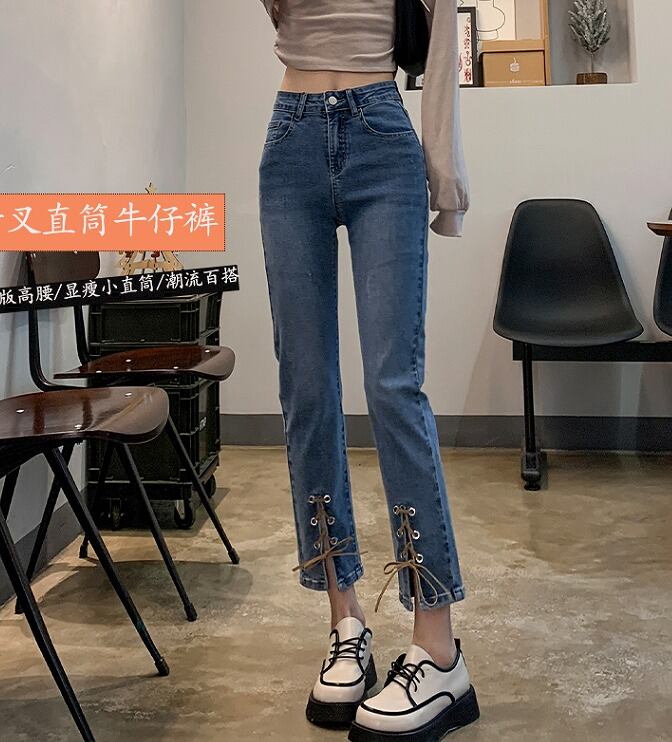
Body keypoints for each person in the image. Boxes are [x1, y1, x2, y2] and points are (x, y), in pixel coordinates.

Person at [257, 1, 479, 739]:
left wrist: (445, 182)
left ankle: (438, 647)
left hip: (382, 131)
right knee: (307, 387)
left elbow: (440, 48)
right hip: (290, 136)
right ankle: (344, 620)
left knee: (393, 386)